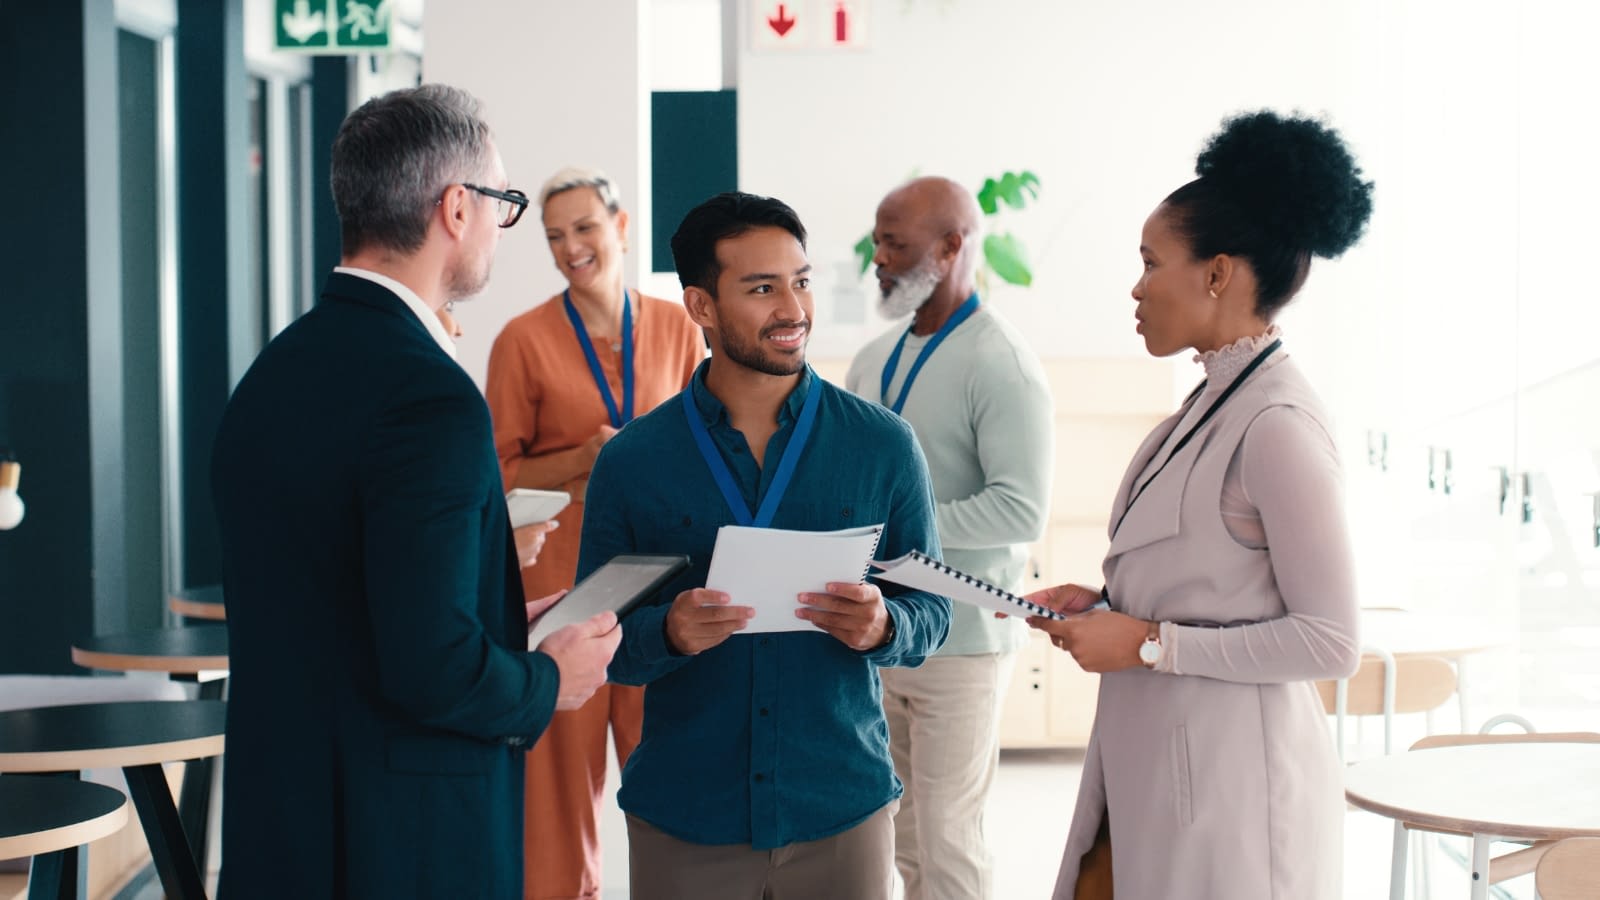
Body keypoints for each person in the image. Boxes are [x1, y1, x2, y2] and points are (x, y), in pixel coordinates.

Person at [210, 85, 621, 899]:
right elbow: (432, 667)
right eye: (504, 204)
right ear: (457, 208)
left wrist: (502, 616)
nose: (502, 230)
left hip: (283, 824)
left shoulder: (272, 373)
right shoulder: (429, 396)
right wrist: (548, 681)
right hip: (400, 842)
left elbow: (343, 600)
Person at [1025, 110, 1373, 899]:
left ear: (1217, 274)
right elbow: (1214, 581)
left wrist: (1150, 642)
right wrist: (1108, 606)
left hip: (1235, 792)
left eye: (1151, 262)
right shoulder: (1211, 403)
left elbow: (1330, 642)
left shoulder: (1277, 424)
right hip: (1162, 764)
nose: (1136, 286)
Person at [577, 191, 953, 899]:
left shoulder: (882, 446)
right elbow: (595, 640)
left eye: (800, 281)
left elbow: (932, 612)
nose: (793, 309)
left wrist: (884, 626)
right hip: (687, 817)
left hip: (840, 811)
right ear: (701, 306)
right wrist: (669, 633)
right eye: (761, 289)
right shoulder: (632, 462)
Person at [484, 165, 704, 900]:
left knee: (670, 783)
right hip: (561, 599)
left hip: (659, 591)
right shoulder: (522, 340)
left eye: (583, 228)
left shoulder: (679, 328)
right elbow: (494, 479)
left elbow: (707, 446)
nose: (570, 247)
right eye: (554, 236)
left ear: (620, 226)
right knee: (554, 807)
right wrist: (584, 456)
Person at [844, 176, 1054, 900]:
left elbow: (1020, 510)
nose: (878, 258)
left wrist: (902, 537)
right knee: (900, 836)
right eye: (877, 242)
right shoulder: (873, 357)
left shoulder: (1003, 363)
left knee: (948, 840)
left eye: (895, 244)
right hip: (880, 634)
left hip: (963, 644)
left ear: (951, 247)